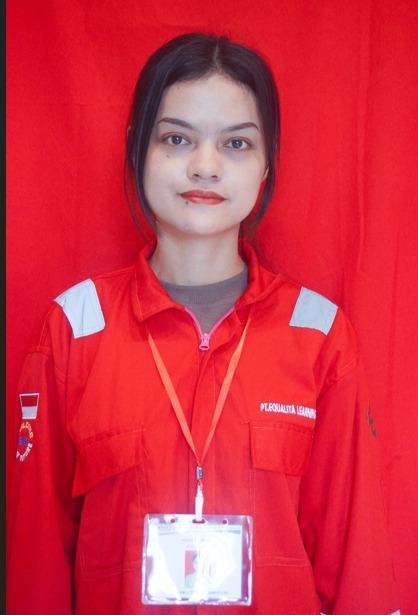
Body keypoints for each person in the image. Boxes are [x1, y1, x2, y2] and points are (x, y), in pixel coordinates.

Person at [6, 32, 400, 615]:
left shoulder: (319, 337)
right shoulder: (74, 330)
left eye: (236, 143)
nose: (205, 166)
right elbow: (35, 565)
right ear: (138, 149)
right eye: (176, 138)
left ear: (266, 164)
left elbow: (355, 562)